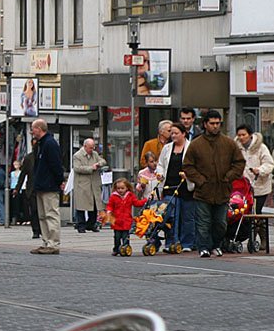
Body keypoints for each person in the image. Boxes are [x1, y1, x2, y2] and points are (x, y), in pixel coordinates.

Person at [183, 110, 245, 258]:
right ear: (205, 124)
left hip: (223, 190)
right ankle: (204, 247)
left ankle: (216, 244)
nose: (215, 126)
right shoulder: (196, 144)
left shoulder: (229, 143)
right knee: (203, 222)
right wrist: (200, 180)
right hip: (203, 191)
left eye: (218, 123)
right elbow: (188, 166)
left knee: (220, 223)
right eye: (212, 123)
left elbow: (239, 163)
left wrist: (228, 177)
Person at [157, 123, 196, 252]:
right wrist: (160, 174)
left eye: (176, 133)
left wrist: (188, 174)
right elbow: (161, 164)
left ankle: (187, 243)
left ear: (183, 134)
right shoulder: (167, 148)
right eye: (171, 133)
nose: (173, 135)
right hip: (170, 186)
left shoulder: (192, 148)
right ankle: (170, 242)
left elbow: (198, 165)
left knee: (187, 216)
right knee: (170, 215)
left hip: (186, 186)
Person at [30, 119, 64, 254]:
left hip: (49, 185)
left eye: (33, 129)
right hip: (41, 185)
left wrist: (59, 180)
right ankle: (46, 241)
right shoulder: (41, 144)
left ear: (39, 128)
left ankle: (53, 243)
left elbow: (56, 164)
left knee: (51, 214)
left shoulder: (50, 144)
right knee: (43, 216)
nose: (32, 132)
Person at [234, 124, 274, 214]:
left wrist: (260, 170)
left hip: (259, 186)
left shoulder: (261, 148)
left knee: (256, 212)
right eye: (239, 135)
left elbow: (269, 163)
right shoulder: (235, 148)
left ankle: (258, 227)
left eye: (244, 135)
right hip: (242, 187)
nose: (241, 137)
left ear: (250, 135)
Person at [103, 178, 148, 256]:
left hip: (126, 220)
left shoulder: (130, 196)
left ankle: (125, 248)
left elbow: (137, 203)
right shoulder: (113, 197)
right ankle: (116, 249)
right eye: (118, 188)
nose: (120, 190)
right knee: (117, 237)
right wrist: (109, 211)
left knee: (125, 236)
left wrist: (145, 200)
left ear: (127, 188)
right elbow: (110, 205)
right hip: (116, 221)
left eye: (122, 188)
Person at [72, 138, 107, 233]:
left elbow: (103, 161)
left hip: (94, 184)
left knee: (95, 205)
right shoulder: (77, 155)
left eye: (93, 148)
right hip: (82, 184)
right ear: (85, 146)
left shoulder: (94, 154)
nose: (92, 150)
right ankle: (81, 225)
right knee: (81, 206)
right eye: (90, 148)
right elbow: (77, 168)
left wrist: (99, 164)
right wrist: (91, 168)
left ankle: (91, 224)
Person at [14, 138, 42, 239]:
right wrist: (17, 188)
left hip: (43, 187)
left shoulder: (44, 156)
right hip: (32, 188)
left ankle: (42, 229)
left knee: (42, 211)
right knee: (34, 210)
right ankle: (35, 230)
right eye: (34, 145)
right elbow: (23, 174)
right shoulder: (28, 158)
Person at [9, 158, 23, 224]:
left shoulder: (21, 172)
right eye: (14, 164)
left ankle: (19, 218)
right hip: (12, 187)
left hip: (19, 188)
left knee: (19, 204)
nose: (15, 165)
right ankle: (14, 218)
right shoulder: (12, 173)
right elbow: (11, 180)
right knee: (13, 204)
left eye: (16, 164)